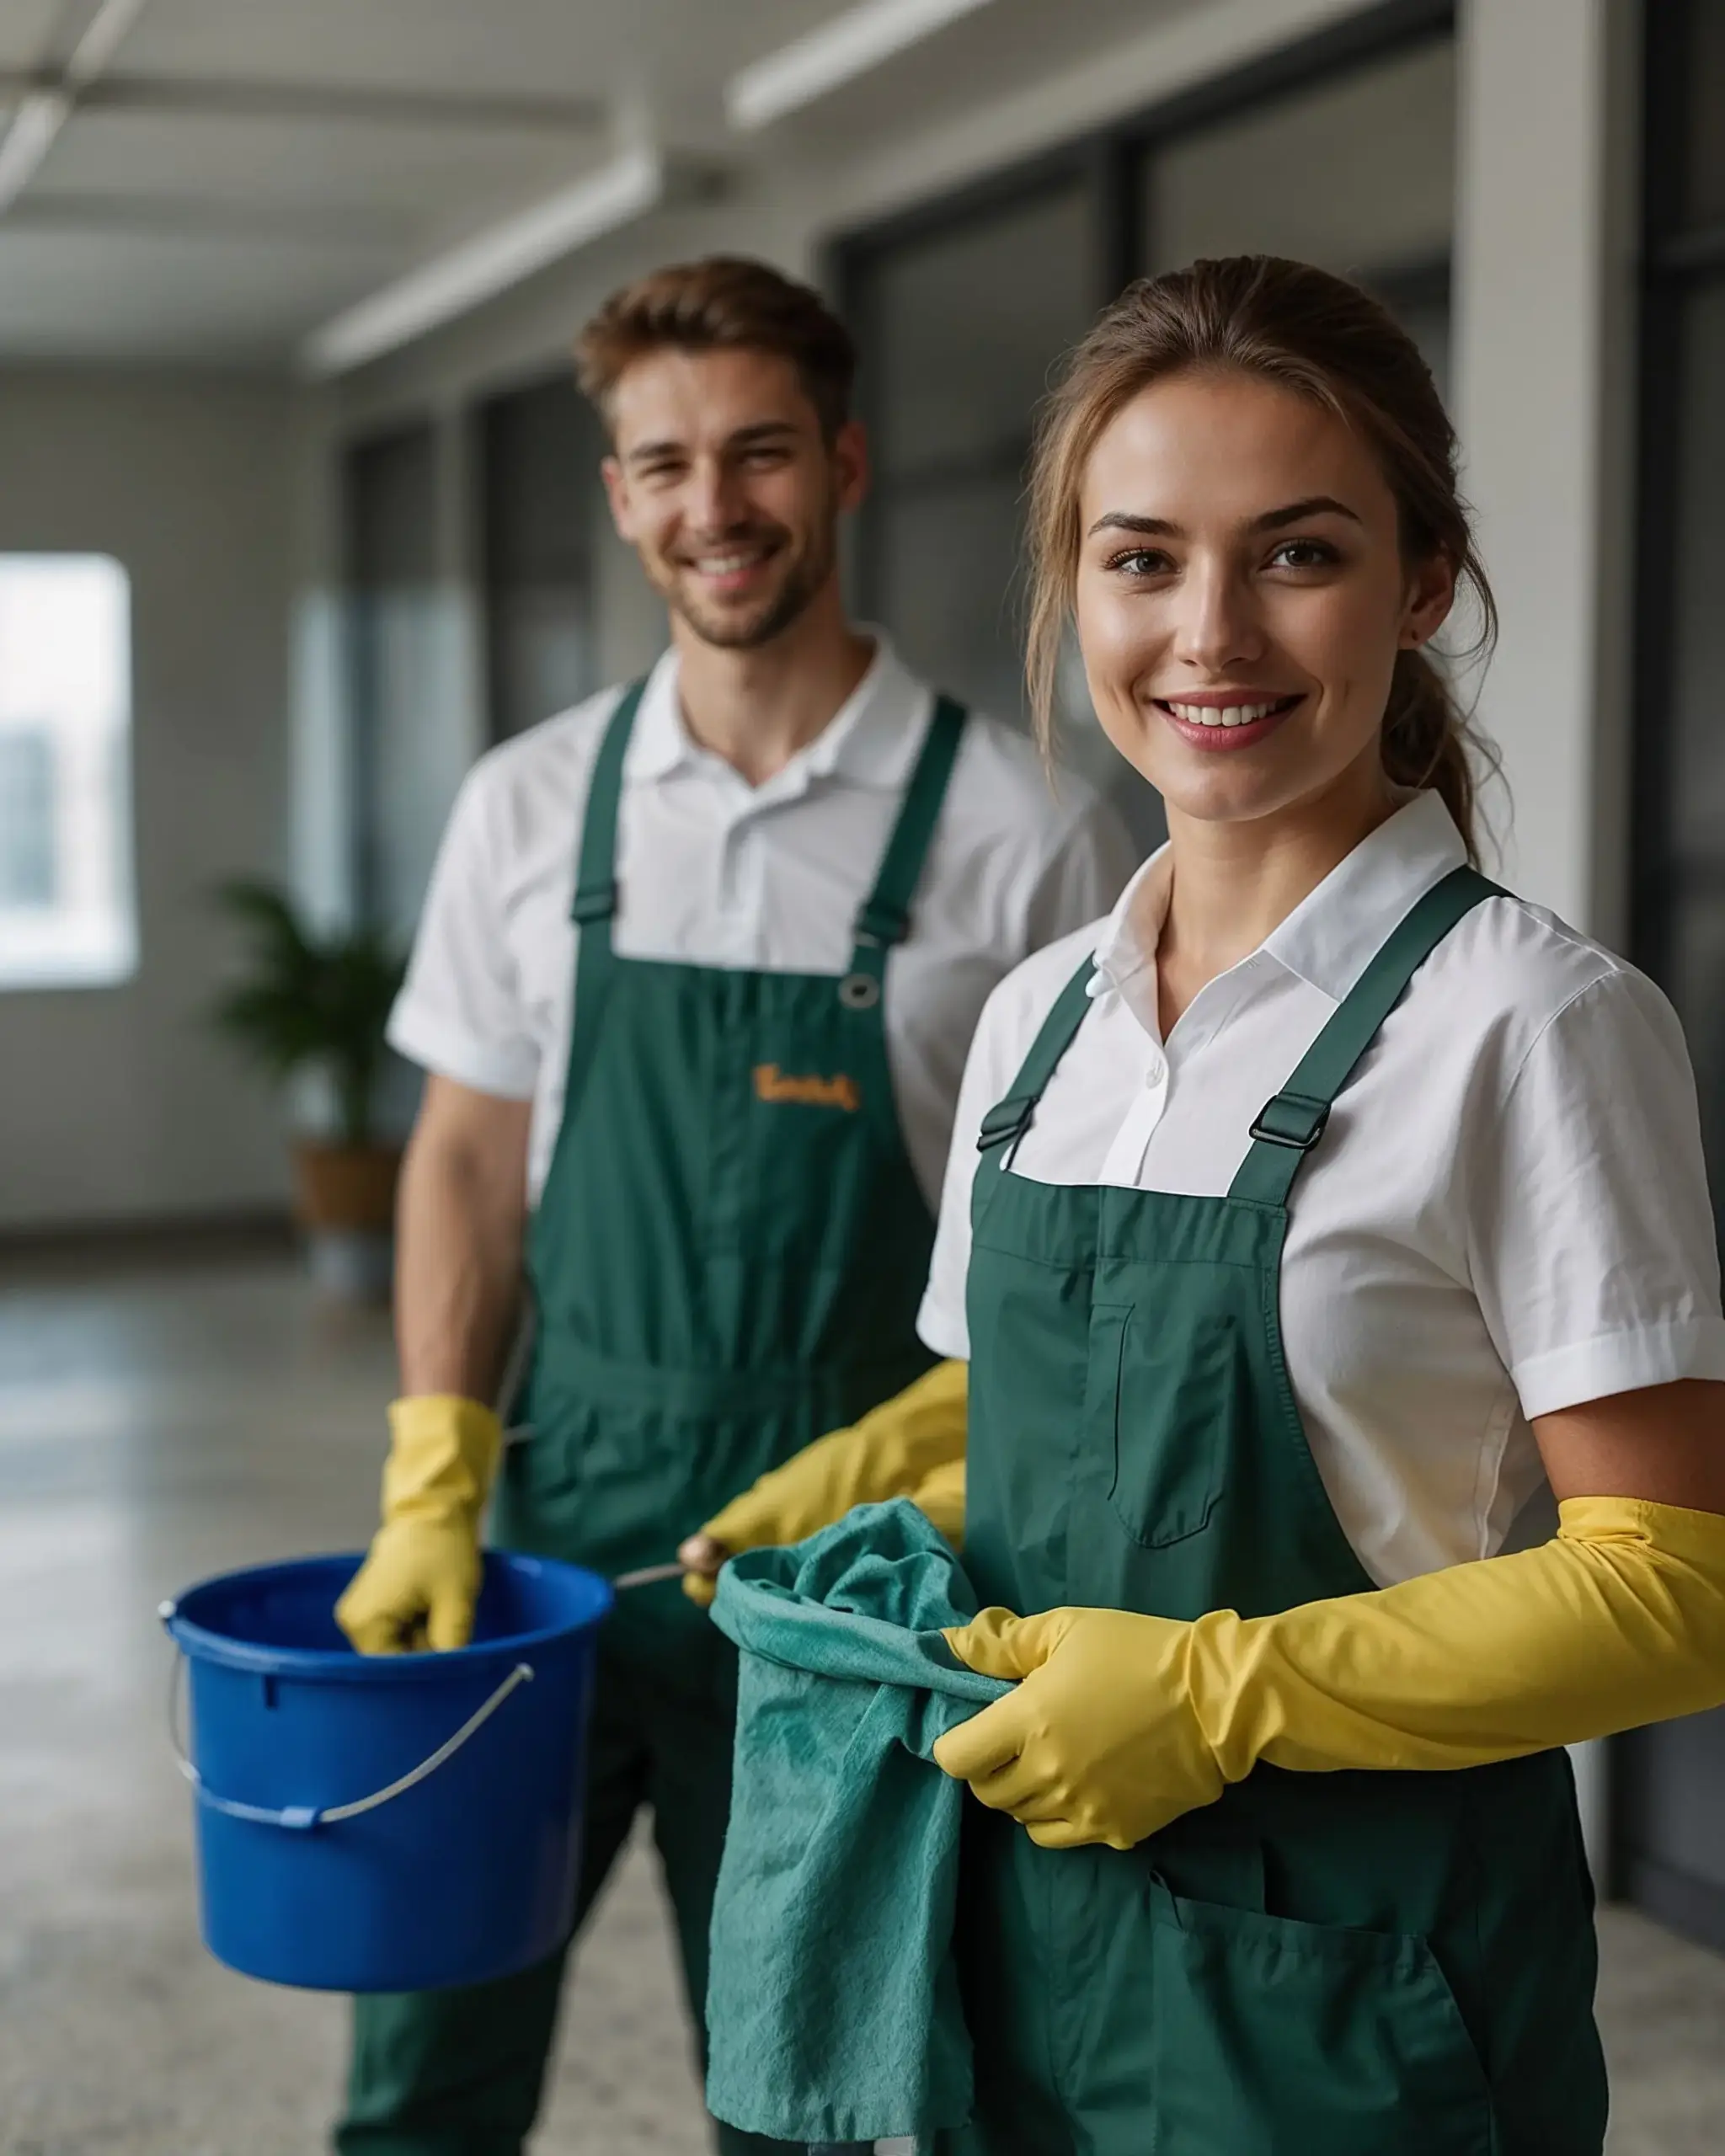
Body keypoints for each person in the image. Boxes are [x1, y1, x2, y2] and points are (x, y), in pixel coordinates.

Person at [683, 255, 1725, 2153]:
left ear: (1422, 582)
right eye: (1142, 557)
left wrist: (1222, 1688)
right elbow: (1047, 1426)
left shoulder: (1531, 1022)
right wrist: (853, 1505)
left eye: (1297, 554)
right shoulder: (1036, 1016)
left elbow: (1673, 1587)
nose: (1210, 633)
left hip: (1354, 2002)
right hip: (1014, 1941)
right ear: (1073, 585)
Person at [329, 255, 1133, 2156]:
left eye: (759, 450)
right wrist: (437, 1468)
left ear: (842, 462)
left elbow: (1075, 1249)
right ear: (618, 492)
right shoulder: (532, 806)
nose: (715, 505)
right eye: (665, 461)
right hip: (546, 1541)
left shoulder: (1027, 830)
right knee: (420, 2062)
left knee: (814, 2089)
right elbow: (459, 1152)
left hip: (853, 1567)